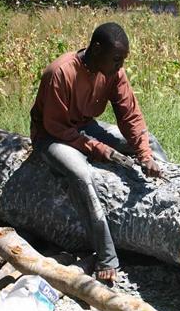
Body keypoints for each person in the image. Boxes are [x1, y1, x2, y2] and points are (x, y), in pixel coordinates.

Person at [30, 22, 168, 282]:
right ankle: (106, 256)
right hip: (52, 136)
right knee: (81, 174)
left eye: (123, 59)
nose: (119, 65)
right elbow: (57, 127)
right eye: (116, 59)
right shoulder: (59, 72)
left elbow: (130, 116)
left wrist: (145, 155)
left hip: (86, 126)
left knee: (151, 142)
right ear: (96, 49)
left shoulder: (114, 72)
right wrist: (99, 149)